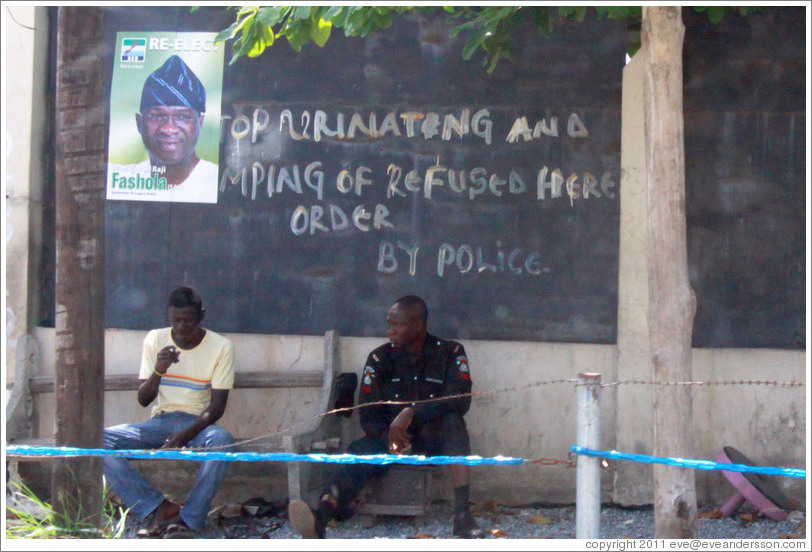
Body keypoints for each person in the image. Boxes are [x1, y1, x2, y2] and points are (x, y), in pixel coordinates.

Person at [288, 295, 486, 539]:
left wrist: (411, 411)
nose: (389, 331)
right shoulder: (380, 359)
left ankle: (463, 516)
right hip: (388, 441)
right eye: (389, 324)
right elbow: (368, 415)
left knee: (454, 424)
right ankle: (320, 518)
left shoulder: (450, 353)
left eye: (397, 325)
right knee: (357, 453)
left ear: (417, 326)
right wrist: (388, 437)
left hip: (431, 440)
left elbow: (460, 399)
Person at [103, 287, 235, 537]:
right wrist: (159, 369)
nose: (182, 327)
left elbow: (216, 408)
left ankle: (191, 519)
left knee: (223, 441)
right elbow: (144, 400)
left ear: (202, 315)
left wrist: (185, 435)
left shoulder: (221, 347)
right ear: (169, 316)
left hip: (198, 425)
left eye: (189, 320)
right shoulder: (156, 339)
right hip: (160, 422)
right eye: (176, 320)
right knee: (97, 439)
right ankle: (159, 507)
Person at [107, 55, 219, 203]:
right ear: (139, 122)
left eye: (183, 117)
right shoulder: (119, 179)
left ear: (200, 123)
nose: (169, 129)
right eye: (156, 116)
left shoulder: (217, 182)